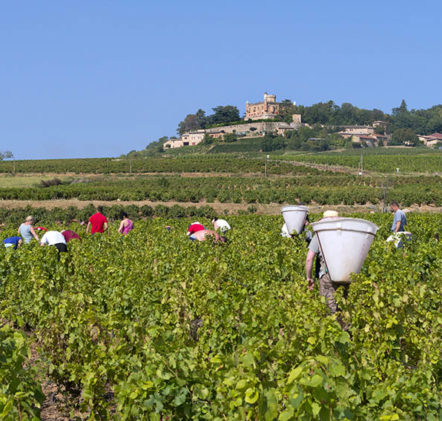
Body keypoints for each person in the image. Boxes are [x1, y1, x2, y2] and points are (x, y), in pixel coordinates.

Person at [305, 210, 348, 316]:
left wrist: (309, 278)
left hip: (327, 275)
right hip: (346, 273)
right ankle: (345, 329)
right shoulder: (347, 234)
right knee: (344, 306)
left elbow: (309, 259)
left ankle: (333, 329)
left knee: (329, 309)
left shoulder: (320, 234)